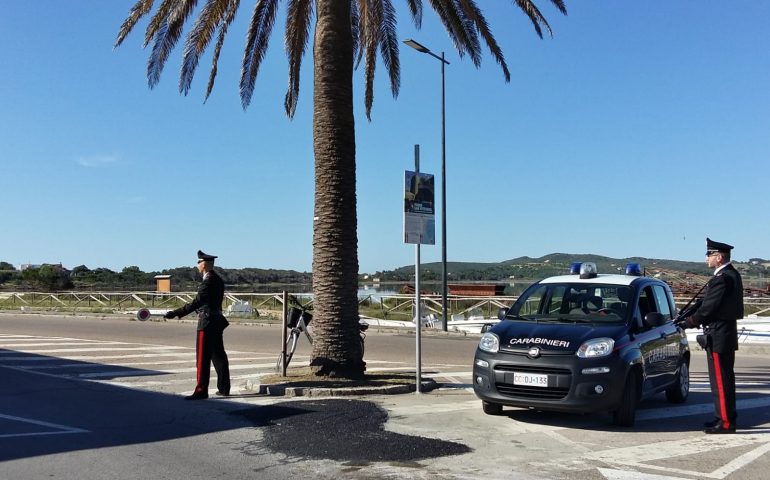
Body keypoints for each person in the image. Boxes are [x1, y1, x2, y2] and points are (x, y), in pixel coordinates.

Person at [681, 238, 743, 434]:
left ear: (719, 257)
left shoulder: (722, 278)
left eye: (709, 254)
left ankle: (725, 423)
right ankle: (722, 418)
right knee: (722, 380)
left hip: (718, 334)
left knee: (721, 381)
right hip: (722, 333)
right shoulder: (729, 275)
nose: (706, 258)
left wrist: (689, 322)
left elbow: (708, 309)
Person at [164, 250, 231, 400]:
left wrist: (175, 312)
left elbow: (196, 302)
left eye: (199, 262)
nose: (197, 265)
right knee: (219, 356)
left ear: (205, 265)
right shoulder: (218, 279)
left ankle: (201, 390)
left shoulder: (207, 282)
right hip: (217, 321)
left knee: (202, 358)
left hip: (206, 322)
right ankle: (224, 388)